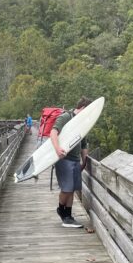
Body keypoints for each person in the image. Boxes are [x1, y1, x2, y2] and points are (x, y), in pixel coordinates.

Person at [50, 97, 92, 228]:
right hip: (64, 159)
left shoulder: (82, 122)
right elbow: (53, 132)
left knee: (72, 189)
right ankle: (62, 211)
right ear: (83, 108)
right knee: (67, 188)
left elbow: (83, 144)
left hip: (75, 160)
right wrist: (57, 149)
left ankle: (68, 216)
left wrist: (84, 161)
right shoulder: (66, 117)